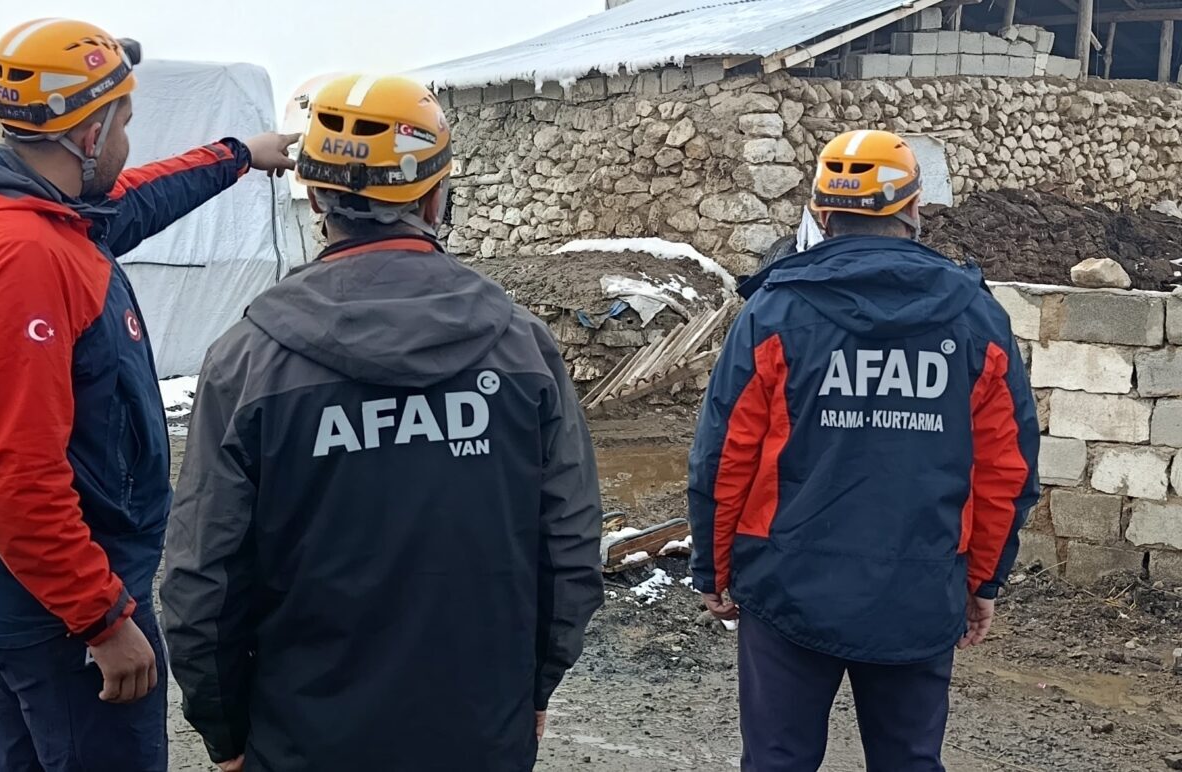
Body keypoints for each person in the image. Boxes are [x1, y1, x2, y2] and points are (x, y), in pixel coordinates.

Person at [160, 74, 604, 772]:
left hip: (304, 742)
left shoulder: (247, 360)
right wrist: (534, 684)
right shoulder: (521, 346)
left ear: (314, 193)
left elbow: (202, 578)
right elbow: (571, 548)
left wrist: (226, 730)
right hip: (479, 733)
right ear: (435, 194)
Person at [0, 19, 297, 772]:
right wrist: (101, 619)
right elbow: (11, 471)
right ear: (88, 134)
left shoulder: (31, 212)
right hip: (59, 616)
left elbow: (131, 201)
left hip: (24, 592)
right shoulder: (23, 259)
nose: (128, 141)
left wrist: (237, 157)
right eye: (125, 122)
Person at [689, 129, 1040, 771]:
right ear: (912, 209)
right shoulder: (975, 318)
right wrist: (983, 578)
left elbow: (724, 455)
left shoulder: (775, 311)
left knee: (777, 761)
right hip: (921, 584)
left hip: (787, 585)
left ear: (822, 213)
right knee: (908, 760)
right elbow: (1004, 468)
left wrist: (715, 570)